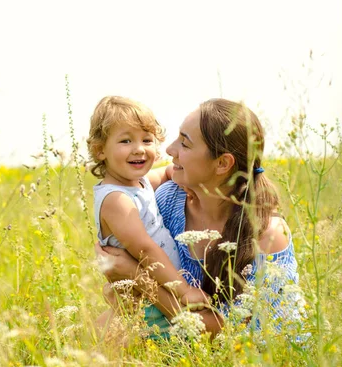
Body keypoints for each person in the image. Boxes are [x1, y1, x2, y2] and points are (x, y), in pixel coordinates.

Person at [96, 98, 301, 337]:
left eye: (184, 143)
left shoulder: (268, 234)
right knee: (104, 327)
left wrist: (137, 276)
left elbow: (228, 332)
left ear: (222, 163)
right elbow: (129, 195)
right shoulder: (169, 200)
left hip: (263, 359)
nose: (170, 150)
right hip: (189, 344)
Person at [87, 96, 210, 337]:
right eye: (125, 140)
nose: (139, 149)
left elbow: (167, 172)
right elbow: (144, 248)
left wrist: (185, 181)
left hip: (159, 286)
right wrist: (183, 290)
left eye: (147, 140)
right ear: (100, 150)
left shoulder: (138, 183)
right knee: (166, 346)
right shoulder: (116, 199)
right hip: (147, 299)